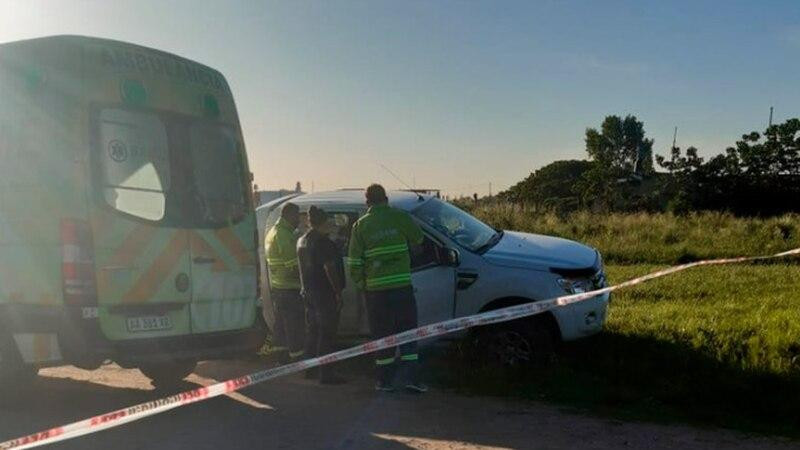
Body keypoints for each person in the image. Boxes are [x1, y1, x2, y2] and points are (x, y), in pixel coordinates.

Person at [347, 184, 427, 393]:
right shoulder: (400, 217)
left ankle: (384, 382)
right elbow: (420, 240)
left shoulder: (360, 226)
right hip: (401, 288)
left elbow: (354, 263)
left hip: (376, 293)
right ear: (386, 198)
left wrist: (363, 285)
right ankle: (411, 380)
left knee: (382, 336)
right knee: (408, 333)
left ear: (367, 202)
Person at [297, 206, 347, 384]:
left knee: (313, 331)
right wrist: (338, 292)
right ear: (324, 222)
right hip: (324, 293)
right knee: (327, 333)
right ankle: (326, 373)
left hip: (308, 292)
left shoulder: (302, 241)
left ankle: (309, 369)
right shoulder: (323, 242)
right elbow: (329, 267)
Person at [264, 202, 305, 361]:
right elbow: (294, 266)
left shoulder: (273, 232)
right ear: (289, 215)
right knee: (294, 326)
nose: (298, 221)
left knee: (281, 326)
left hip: (279, 286)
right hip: (290, 287)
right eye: (297, 217)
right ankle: (298, 359)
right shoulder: (284, 235)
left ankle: (280, 357)